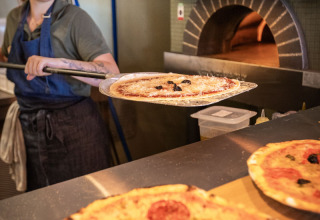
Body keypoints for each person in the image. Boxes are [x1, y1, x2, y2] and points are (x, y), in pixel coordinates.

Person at [0, 0, 120, 191]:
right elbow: (6, 55)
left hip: (74, 129)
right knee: (40, 200)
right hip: (28, 127)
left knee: (84, 198)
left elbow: (111, 74)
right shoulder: (15, 18)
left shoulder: (75, 18)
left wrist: (59, 64)